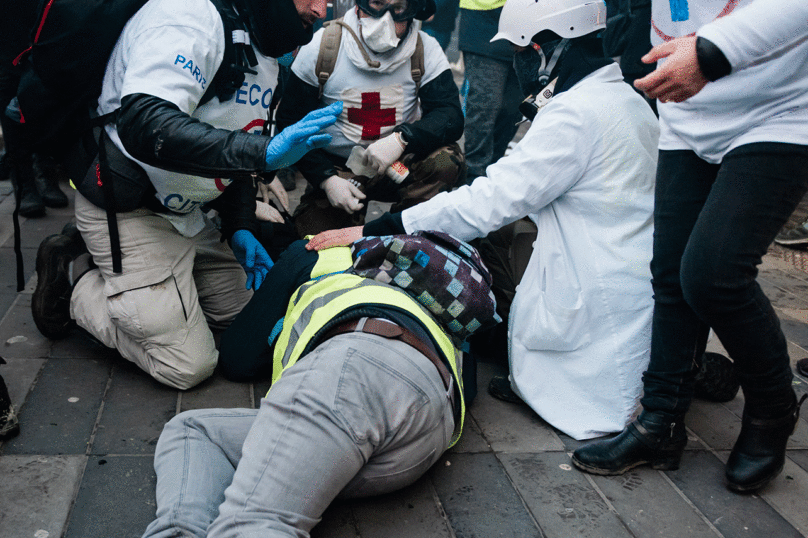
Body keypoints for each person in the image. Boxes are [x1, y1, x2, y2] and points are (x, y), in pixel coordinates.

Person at [308, 0, 660, 441]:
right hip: (628, 272)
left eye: (520, 49)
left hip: (599, 292)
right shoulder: (622, 96)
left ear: (543, 49)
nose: (518, 62)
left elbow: (486, 202)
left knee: (484, 248)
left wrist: (379, 228)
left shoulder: (575, 115)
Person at [30, 0, 342, 390]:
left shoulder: (264, 49)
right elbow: (146, 121)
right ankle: (74, 275)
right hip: (133, 210)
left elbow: (237, 139)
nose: (323, 7)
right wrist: (262, 153)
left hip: (191, 215)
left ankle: (161, 294)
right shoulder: (187, 14)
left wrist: (240, 225)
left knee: (247, 319)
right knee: (188, 364)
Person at [571, 0, 808, 493]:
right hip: (687, 111)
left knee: (714, 274)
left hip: (780, 110)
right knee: (671, 275)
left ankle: (771, 411)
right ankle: (660, 424)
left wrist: (711, 52)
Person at [141, 233, 484, 537]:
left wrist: (274, 316)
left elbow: (238, 358)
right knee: (192, 430)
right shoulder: (457, 303)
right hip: (424, 438)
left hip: (353, 372)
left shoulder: (321, 252)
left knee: (253, 523)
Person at [276, 0, 466, 237]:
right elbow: (289, 122)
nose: (384, 20)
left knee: (445, 161)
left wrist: (403, 139)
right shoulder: (323, 46)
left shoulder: (425, 49)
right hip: (339, 168)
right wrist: (325, 179)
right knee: (317, 247)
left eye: (397, 10)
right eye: (376, 3)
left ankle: (407, 234)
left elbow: (449, 115)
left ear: (413, 12)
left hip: (398, 165)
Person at [456, 0, 523, 184]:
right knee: (485, 107)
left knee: (514, 111)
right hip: (486, 20)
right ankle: (474, 177)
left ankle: (492, 174)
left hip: (530, 22)